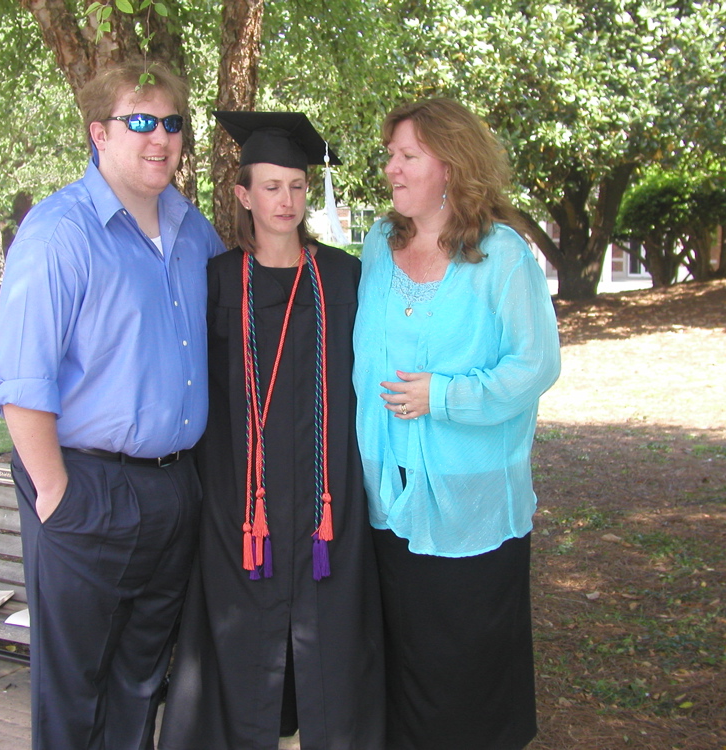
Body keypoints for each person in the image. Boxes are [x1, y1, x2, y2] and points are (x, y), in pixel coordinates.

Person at [0, 60, 225, 750]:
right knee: (74, 693)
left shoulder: (191, 230)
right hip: (87, 490)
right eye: (140, 121)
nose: (160, 138)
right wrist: (55, 494)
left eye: (172, 123)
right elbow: (21, 378)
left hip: (176, 490)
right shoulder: (60, 231)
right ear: (98, 132)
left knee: (142, 682)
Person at [158, 112, 385, 750]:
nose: (285, 201)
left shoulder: (342, 279)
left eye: (296, 186)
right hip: (242, 502)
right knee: (239, 635)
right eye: (270, 187)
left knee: (331, 632)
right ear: (243, 195)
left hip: (325, 506)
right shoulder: (216, 282)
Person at [352, 97, 561, 750]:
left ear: (450, 165)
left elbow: (534, 367)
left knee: (466, 682)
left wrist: (443, 396)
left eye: (407, 155)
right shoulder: (377, 250)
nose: (391, 167)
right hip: (388, 503)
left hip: (470, 513)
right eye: (391, 155)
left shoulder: (502, 258)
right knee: (400, 670)